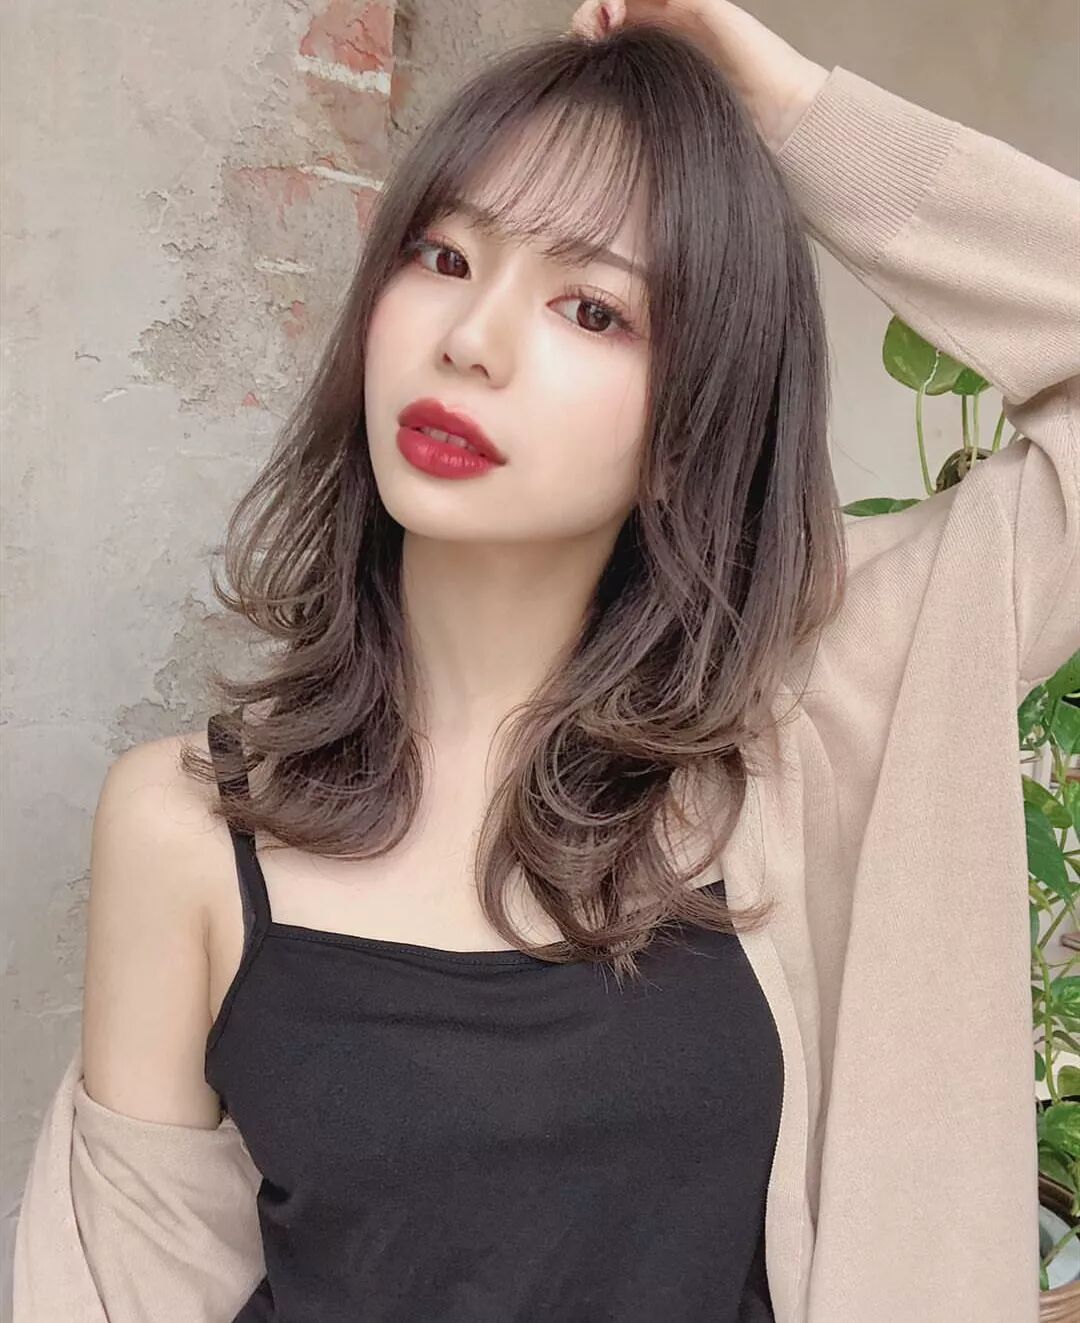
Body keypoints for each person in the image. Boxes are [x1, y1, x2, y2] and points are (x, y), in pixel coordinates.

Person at [13, 2, 1080, 1321]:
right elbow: (130, 1292)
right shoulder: (187, 824)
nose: (471, 338)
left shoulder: (807, 729)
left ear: (696, 420)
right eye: (444, 256)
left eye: (591, 307)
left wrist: (791, 112)